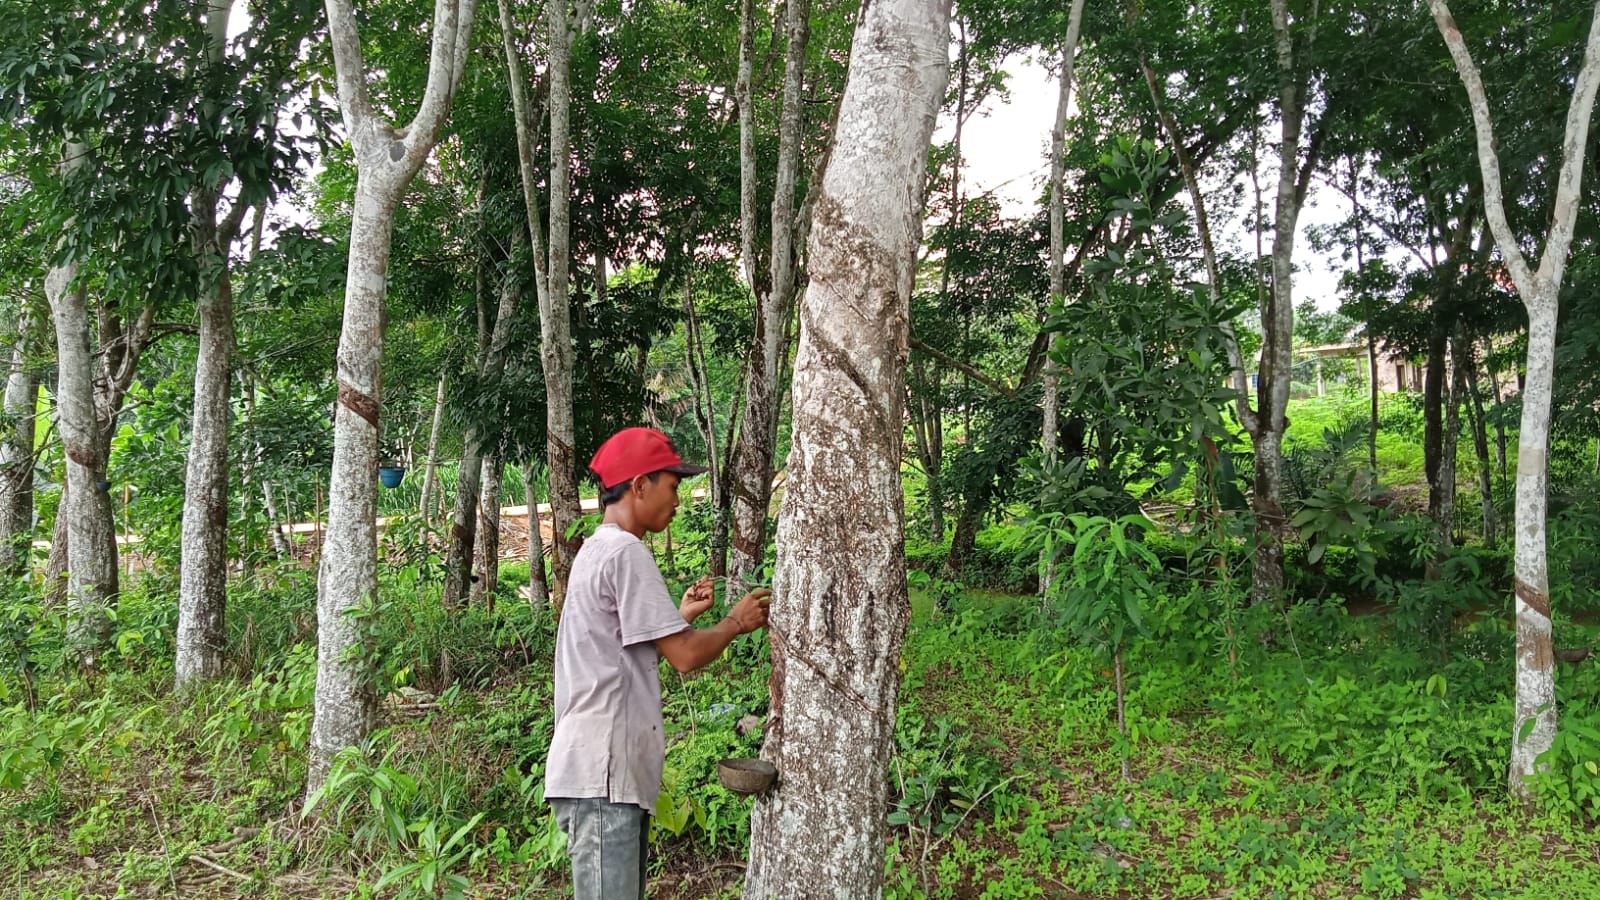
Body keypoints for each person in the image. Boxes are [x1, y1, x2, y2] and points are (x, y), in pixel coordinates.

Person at [543, 426, 772, 899]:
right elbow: (685, 655)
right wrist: (735, 622)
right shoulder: (627, 552)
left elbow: (624, 646)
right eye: (672, 486)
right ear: (639, 485)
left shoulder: (596, 548)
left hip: (597, 773)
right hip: (603, 774)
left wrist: (681, 616)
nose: (677, 500)